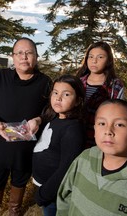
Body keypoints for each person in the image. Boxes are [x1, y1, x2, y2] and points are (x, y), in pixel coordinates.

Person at [0, 37, 52, 216]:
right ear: (13, 57)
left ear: (36, 56)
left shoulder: (45, 82)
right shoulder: (0, 77)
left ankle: (14, 210)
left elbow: (52, 109)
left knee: (20, 180)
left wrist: (39, 120)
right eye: (19, 53)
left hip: (25, 147)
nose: (24, 57)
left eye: (29, 53)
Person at [56, 99, 127, 216]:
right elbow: (65, 198)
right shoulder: (84, 158)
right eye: (102, 123)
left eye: (119, 125)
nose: (108, 131)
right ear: (94, 130)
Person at [32, 74, 85, 216]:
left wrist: (43, 194)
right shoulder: (55, 116)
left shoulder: (72, 130)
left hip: (53, 193)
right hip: (43, 184)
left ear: (78, 101)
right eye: (55, 92)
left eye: (66, 94)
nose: (58, 98)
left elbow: (66, 169)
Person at [76, 41, 124, 148]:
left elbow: (119, 115)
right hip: (75, 134)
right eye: (91, 56)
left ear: (108, 60)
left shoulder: (115, 86)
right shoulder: (78, 82)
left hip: (99, 139)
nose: (94, 61)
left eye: (100, 57)